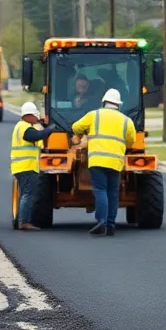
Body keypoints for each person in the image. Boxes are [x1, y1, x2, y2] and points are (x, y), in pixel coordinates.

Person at [71, 88, 136, 236]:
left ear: (104, 102)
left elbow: (75, 127)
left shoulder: (94, 115)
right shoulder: (127, 121)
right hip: (116, 163)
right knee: (113, 192)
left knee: (100, 190)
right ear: (118, 105)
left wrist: (86, 133)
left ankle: (102, 221)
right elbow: (131, 142)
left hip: (97, 160)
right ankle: (111, 224)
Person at [10, 102, 51, 231]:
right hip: (26, 167)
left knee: (26, 194)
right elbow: (37, 135)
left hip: (22, 167)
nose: (37, 119)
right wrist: (50, 129)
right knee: (28, 194)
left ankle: (22, 220)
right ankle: (24, 222)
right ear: (29, 115)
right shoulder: (25, 128)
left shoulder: (22, 126)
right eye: (35, 117)